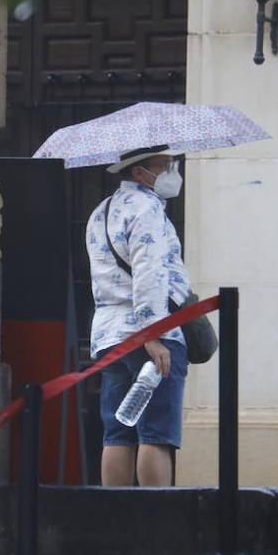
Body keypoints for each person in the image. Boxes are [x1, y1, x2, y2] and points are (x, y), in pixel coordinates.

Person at [86, 146, 191, 486]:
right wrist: (153, 334)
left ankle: (113, 513)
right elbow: (150, 273)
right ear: (138, 172)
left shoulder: (101, 212)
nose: (171, 172)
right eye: (164, 166)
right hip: (149, 334)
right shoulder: (147, 210)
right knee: (155, 432)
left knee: (117, 431)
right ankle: (156, 519)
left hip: (110, 335)